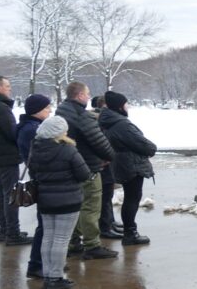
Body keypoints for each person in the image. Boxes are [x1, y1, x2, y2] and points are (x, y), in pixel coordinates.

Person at [28, 116, 92, 289]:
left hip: (45, 200)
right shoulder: (68, 150)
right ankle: (55, 278)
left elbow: (33, 174)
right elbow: (84, 174)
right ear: (59, 133)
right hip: (68, 201)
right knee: (61, 240)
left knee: (48, 237)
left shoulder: (36, 149)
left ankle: (48, 274)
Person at [56, 82, 118, 260]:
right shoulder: (81, 116)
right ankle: (92, 245)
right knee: (90, 207)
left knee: (76, 205)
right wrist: (110, 156)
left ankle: (73, 241)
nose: (89, 97)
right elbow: (99, 142)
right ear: (80, 95)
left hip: (72, 165)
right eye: (87, 93)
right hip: (88, 166)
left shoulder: (62, 110)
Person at [98, 91, 157, 246]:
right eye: (125, 104)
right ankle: (130, 233)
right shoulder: (122, 124)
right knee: (132, 198)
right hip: (131, 165)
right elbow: (142, 144)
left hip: (122, 163)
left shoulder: (109, 121)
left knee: (131, 198)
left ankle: (129, 230)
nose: (127, 106)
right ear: (119, 107)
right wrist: (152, 148)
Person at [0, 75, 31, 245]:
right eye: (7, 86)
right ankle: (12, 233)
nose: (10, 89)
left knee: (2, 193)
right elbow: (12, 133)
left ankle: (5, 230)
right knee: (11, 194)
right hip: (6, 157)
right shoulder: (0, 108)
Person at [17, 94, 51, 278]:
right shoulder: (32, 130)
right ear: (37, 110)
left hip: (41, 177)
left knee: (45, 224)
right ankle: (36, 264)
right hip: (43, 179)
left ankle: (43, 263)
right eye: (46, 108)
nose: (50, 111)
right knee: (44, 225)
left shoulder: (31, 127)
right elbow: (40, 156)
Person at [91, 95, 122, 240]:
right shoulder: (97, 120)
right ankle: (106, 226)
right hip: (102, 164)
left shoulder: (100, 119)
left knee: (108, 196)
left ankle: (109, 222)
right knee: (104, 197)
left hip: (106, 162)